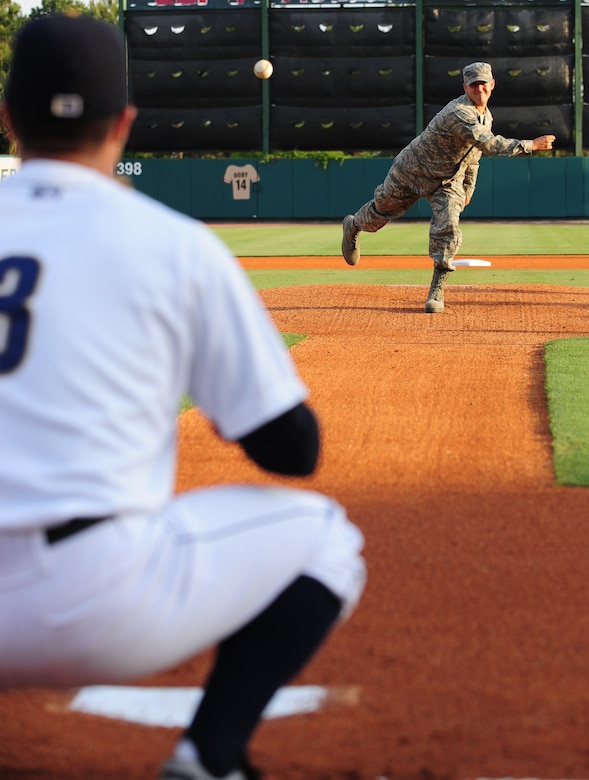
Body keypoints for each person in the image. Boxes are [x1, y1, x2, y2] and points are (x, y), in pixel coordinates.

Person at [0, 14, 366, 780]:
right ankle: (212, 753)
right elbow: (291, 451)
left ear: (7, 120)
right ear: (124, 123)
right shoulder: (172, 244)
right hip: (93, 602)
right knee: (325, 537)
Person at [341, 61, 556, 313]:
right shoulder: (459, 112)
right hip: (413, 169)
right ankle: (354, 226)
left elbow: (475, 154)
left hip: (447, 180)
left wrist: (468, 186)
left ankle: (436, 290)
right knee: (381, 212)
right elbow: (489, 145)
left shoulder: (486, 116)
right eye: (474, 84)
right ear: (465, 86)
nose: (479, 89)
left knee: (449, 225)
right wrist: (532, 145)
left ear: (492, 85)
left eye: (483, 83)